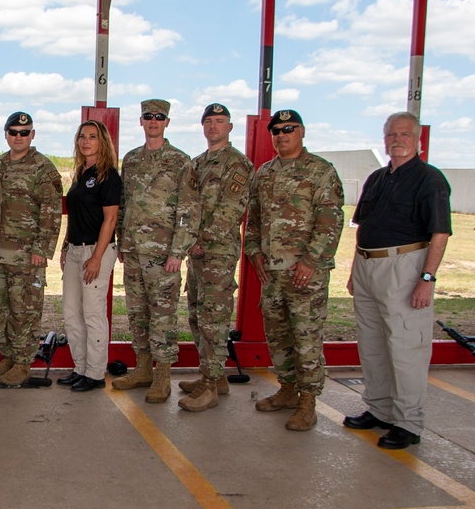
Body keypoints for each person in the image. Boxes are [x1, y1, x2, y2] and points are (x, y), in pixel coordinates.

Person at [343, 111, 451, 449]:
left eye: (404, 134)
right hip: (367, 267)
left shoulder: (429, 179)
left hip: (404, 267)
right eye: (391, 134)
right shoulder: (376, 178)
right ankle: (380, 411)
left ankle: (408, 423)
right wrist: (353, 272)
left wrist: (427, 279)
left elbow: (440, 233)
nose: (397, 139)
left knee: (406, 349)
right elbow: (363, 228)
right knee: (373, 345)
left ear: (418, 139)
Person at [245, 109, 344, 431]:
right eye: (276, 130)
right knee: (278, 337)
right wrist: (255, 253)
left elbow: (330, 222)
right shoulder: (264, 173)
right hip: (272, 274)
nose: (281, 135)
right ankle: (288, 390)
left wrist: (311, 262)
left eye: (288, 129)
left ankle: (308, 401)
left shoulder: (320, 171)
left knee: (306, 338)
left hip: (305, 275)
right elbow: (255, 221)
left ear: (301, 131)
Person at [113, 99, 200, 404]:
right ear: (141, 121)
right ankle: (143, 369)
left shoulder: (180, 161)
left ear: (166, 123)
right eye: (148, 117)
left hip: (164, 256)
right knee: (138, 313)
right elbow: (124, 203)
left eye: (159, 117)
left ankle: (162, 376)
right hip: (134, 251)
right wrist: (122, 240)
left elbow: (188, 210)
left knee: (163, 316)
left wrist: (178, 251)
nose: (153, 121)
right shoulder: (132, 159)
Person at [178, 104, 253, 412]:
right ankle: (214, 376)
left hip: (218, 253)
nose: (213, 126)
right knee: (197, 314)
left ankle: (210, 385)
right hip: (196, 254)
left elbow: (230, 210)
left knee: (214, 319)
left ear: (229, 127)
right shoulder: (197, 163)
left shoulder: (237, 163)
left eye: (219, 122)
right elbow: (186, 207)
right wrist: (189, 242)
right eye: (208, 121)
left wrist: (200, 240)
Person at [0, 111, 63, 387]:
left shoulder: (43, 168)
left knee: (24, 310)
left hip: (27, 255)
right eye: (13, 132)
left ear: (32, 135)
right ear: (6, 134)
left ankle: (22, 362)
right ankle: (7, 356)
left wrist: (42, 249)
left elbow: (51, 212)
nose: (19, 137)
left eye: (24, 132)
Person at [58, 119, 121, 392]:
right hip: (75, 249)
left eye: (92, 136)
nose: (86, 141)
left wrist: (96, 257)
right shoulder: (81, 173)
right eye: (82, 136)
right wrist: (65, 245)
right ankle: (80, 367)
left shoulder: (109, 176)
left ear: (102, 141)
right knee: (71, 312)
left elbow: (110, 219)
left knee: (92, 313)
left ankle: (95, 374)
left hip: (97, 249)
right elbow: (75, 216)